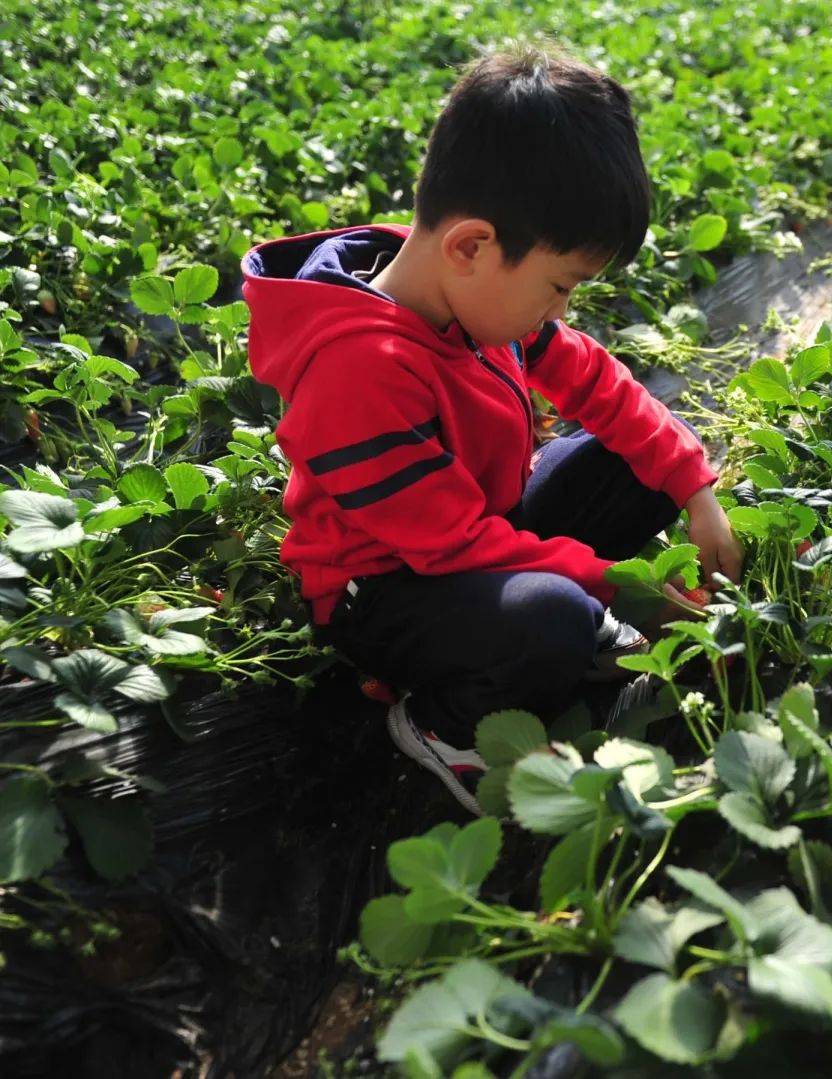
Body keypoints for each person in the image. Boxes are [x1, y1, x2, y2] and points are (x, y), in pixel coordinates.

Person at [241, 41, 742, 815]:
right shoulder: (357, 371)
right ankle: (443, 724)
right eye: (558, 286)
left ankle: (560, 615)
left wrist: (694, 486)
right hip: (385, 588)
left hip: (484, 521)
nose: (561, 311)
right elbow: (450, 544)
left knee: (628, 462)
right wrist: (615, 582)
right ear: (472, 245)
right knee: (553, 620)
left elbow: (595, 379)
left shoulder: (471, 294)